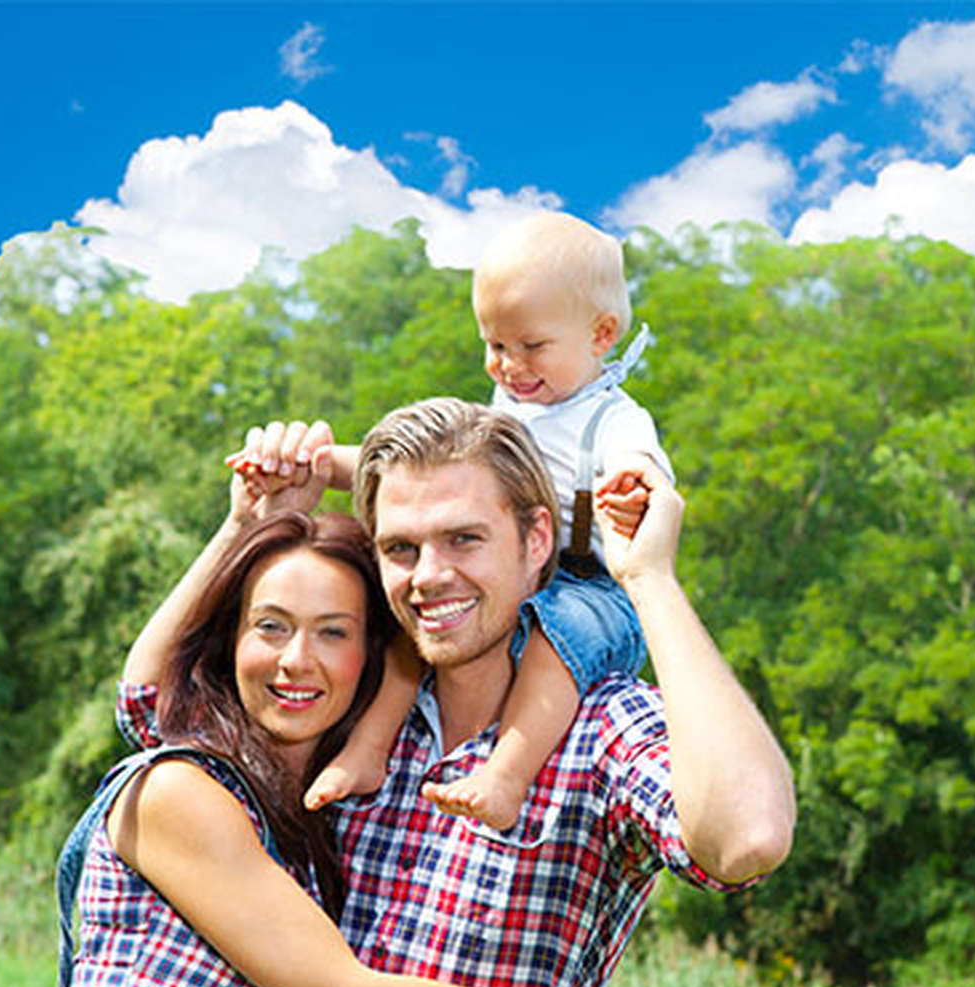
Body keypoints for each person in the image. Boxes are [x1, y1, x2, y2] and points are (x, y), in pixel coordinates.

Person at [179, 397, 795, 987]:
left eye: (464, 539)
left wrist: (650, 581)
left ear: (536, 542)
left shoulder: (600, 730)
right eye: (400, 549)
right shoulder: (348, 712)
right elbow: (151, 713)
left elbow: (746, 840)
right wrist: (250, 522)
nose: (430, 575)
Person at [45, 458, 635, 987]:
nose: (296, 661)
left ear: (372, 656)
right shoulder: (177, 791)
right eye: (271, 627)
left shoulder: (314, 812)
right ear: (232, 640)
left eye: (333, 633)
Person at [239, 212, 671, 833]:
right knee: (412, 623)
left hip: (590, 583)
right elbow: (420, 478)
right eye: (495, 346)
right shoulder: (509, 408)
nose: (509, 366)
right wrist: (317, 463)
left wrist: (630, 485)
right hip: (515, 570)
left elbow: (639, 463)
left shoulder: (611, 419)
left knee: (558, 643)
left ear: (600, 334)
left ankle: (506, 776)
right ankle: (367, 750)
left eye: (531, 346)